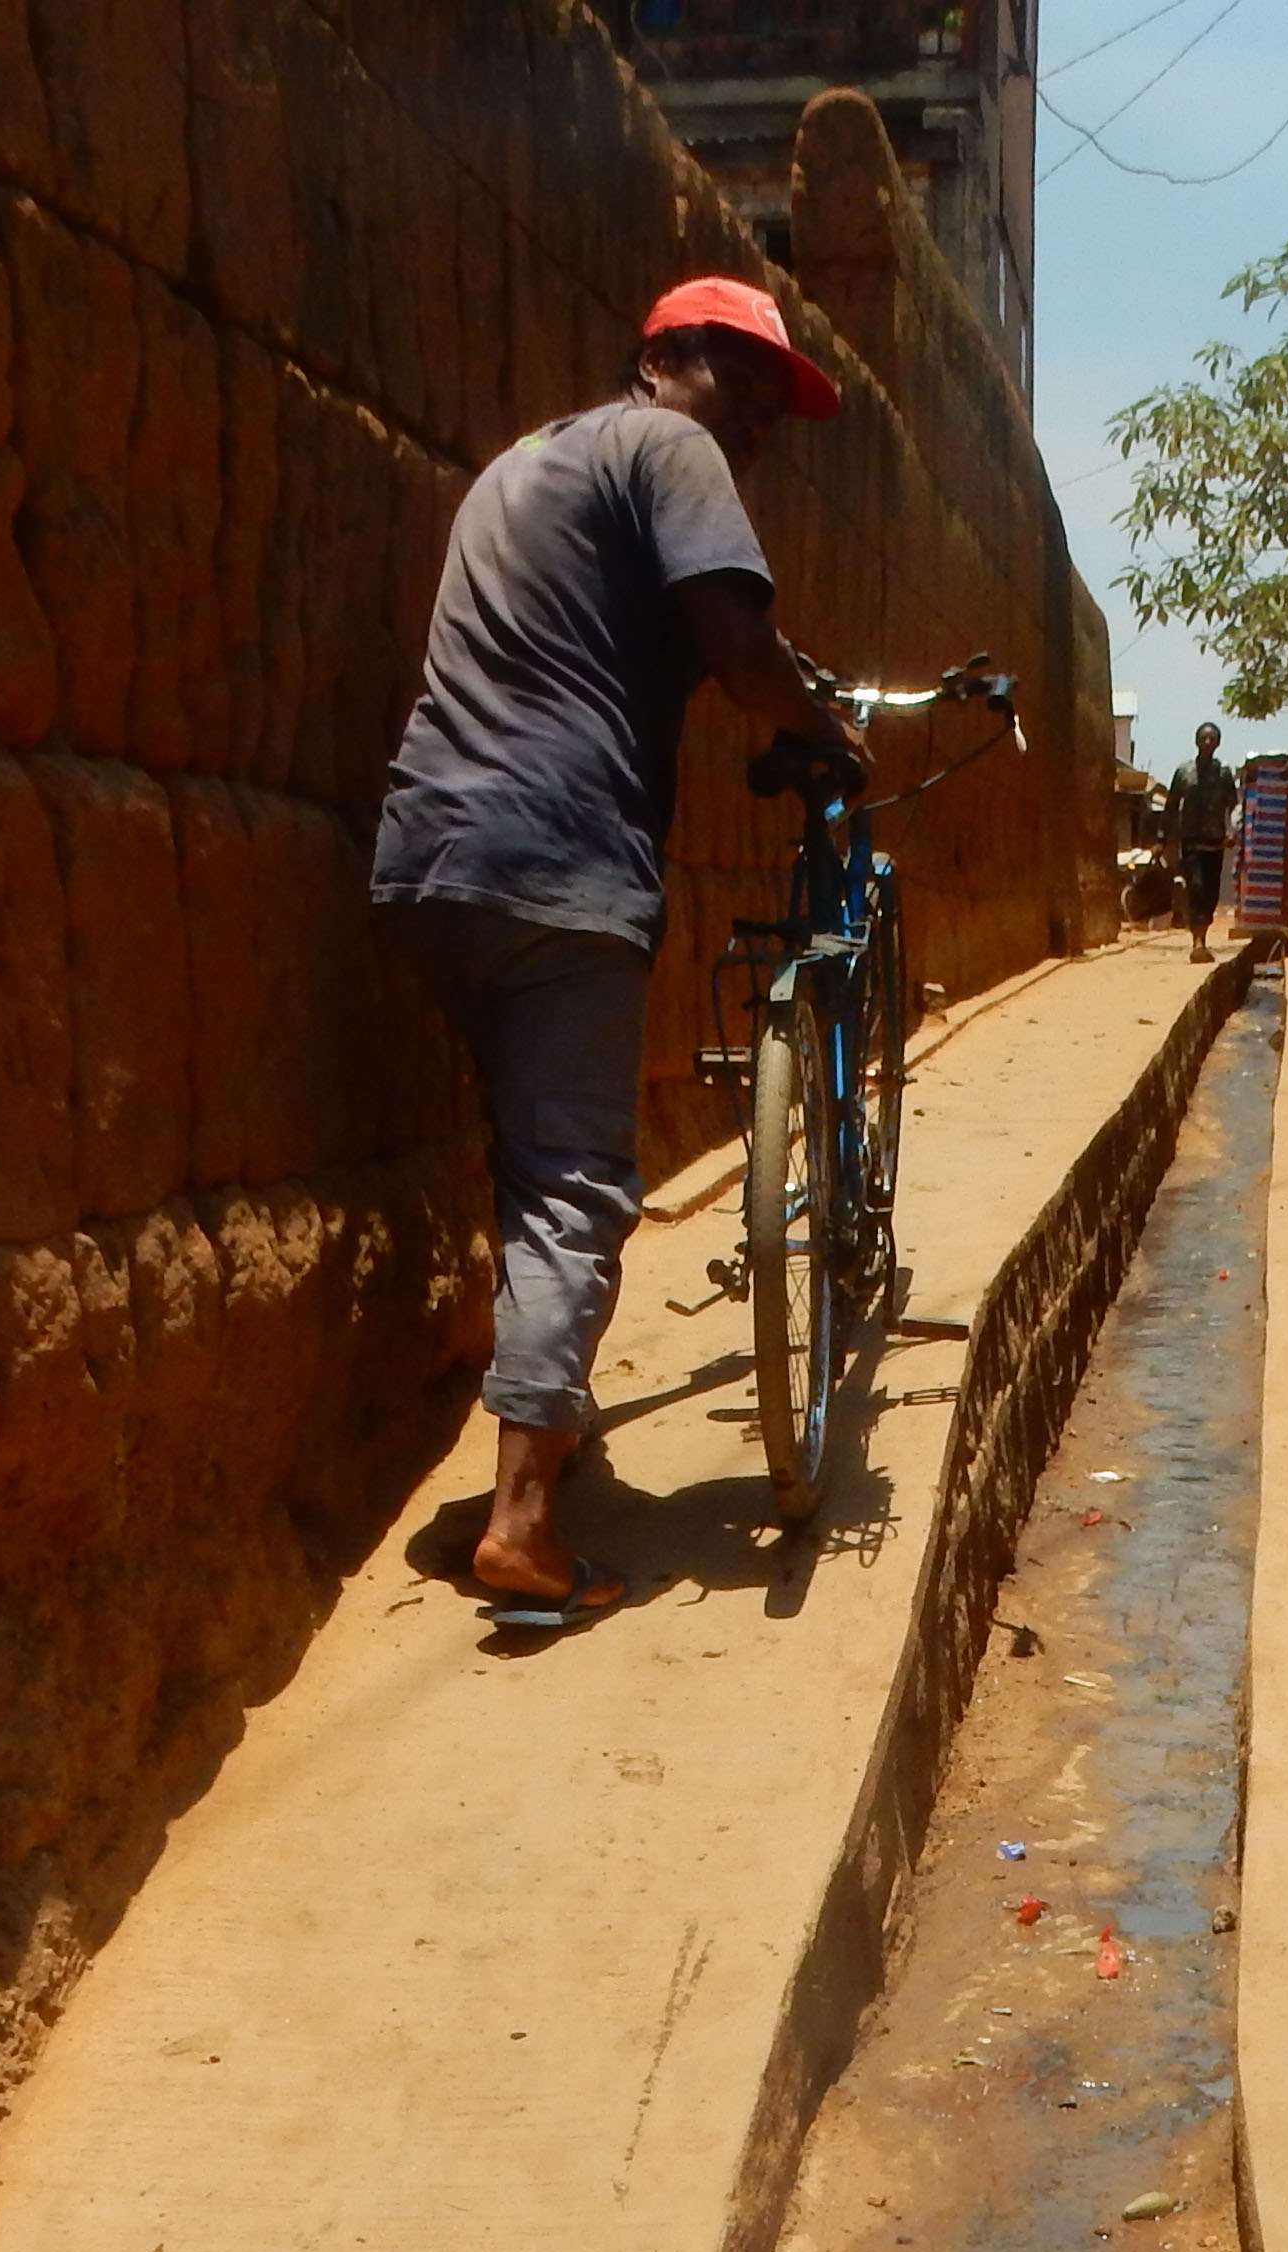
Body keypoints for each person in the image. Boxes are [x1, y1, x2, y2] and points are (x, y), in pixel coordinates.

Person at [371, 275, 868, 1626]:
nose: (763, 423)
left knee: (526, 1161)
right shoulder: (671, 447)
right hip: (555, 859)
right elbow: (730, 637)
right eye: (752, 384)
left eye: (779, 402)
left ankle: (546, 1424)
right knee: (577, 1183)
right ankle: (527, 1527)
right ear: (672, 357)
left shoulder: (524, 465)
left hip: (428, 860)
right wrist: (821, 725)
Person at [1163, 722, 1240, 963]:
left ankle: (1202, 935)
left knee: (1210, 894)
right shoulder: (1184, 772)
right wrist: (1162, 839)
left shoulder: (1224, 773)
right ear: (1196, 741)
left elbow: (1233, 804)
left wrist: (1232, 830)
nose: (1207, 743)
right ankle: (1197, 942)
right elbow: (1171, 807)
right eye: (1203, 738)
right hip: (1191, 842)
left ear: (1218, 743)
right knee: (1195, 887)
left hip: (1215, 843)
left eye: (1212, 739)